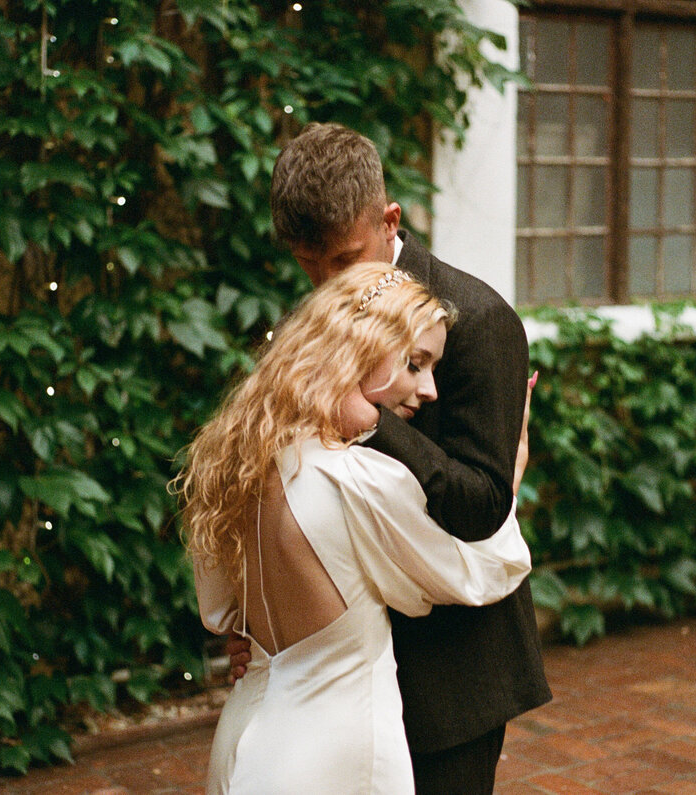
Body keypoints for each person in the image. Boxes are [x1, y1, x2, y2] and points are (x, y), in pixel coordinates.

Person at [257, 121, 553, 794]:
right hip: (339, 675)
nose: (325, 283)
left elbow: (482, 503)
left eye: (342, 260)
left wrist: (371, 425)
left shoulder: (480, 321)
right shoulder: (325, 313)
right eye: (310, 266)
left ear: (390, 220)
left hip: (448, 679)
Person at [179, 262, 534, 793]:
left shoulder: (236, 462)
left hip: (245, 740)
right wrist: (513, 469)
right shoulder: (357, 478)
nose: (430, 388)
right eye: (415, 364)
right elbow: (478, 573)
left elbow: (219, 610)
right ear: (360, 349)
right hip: (336, 756)